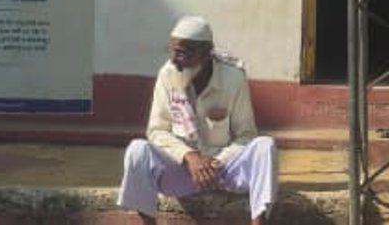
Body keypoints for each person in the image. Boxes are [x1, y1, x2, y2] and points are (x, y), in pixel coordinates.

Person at [118, 16, 278, 224]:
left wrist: (216, 163)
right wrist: (189, 157)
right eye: (171, 51)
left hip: (225, 170)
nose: (174, 60)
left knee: (265, 146)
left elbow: (246, 135)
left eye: (182, 53)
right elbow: (157, 131)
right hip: (183, 172)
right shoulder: (168, 75)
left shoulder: (233, 78)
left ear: (206, 52)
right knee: (138, 150)